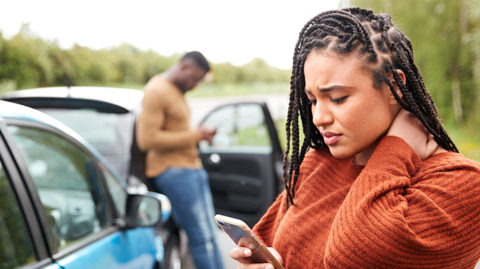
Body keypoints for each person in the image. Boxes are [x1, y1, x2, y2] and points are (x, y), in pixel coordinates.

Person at [230, 7, 480, 269]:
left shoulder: (464, 185)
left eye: (337, 98)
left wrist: (396, 149)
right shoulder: (318, 163)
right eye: (313, 100)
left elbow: (353, 256)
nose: (318, 118)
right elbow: (269, 241)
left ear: (394, 86)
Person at [136, 51, 224, 269]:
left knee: (211, 233)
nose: (195, 85)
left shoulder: (175, 91)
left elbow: (175, 131)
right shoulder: (157, 90)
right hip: (174, 171)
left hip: (192, 168)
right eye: (195, 79)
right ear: (184, 67)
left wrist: (200, 135)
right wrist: (196, 135)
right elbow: (146, 140)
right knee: (200, 237)